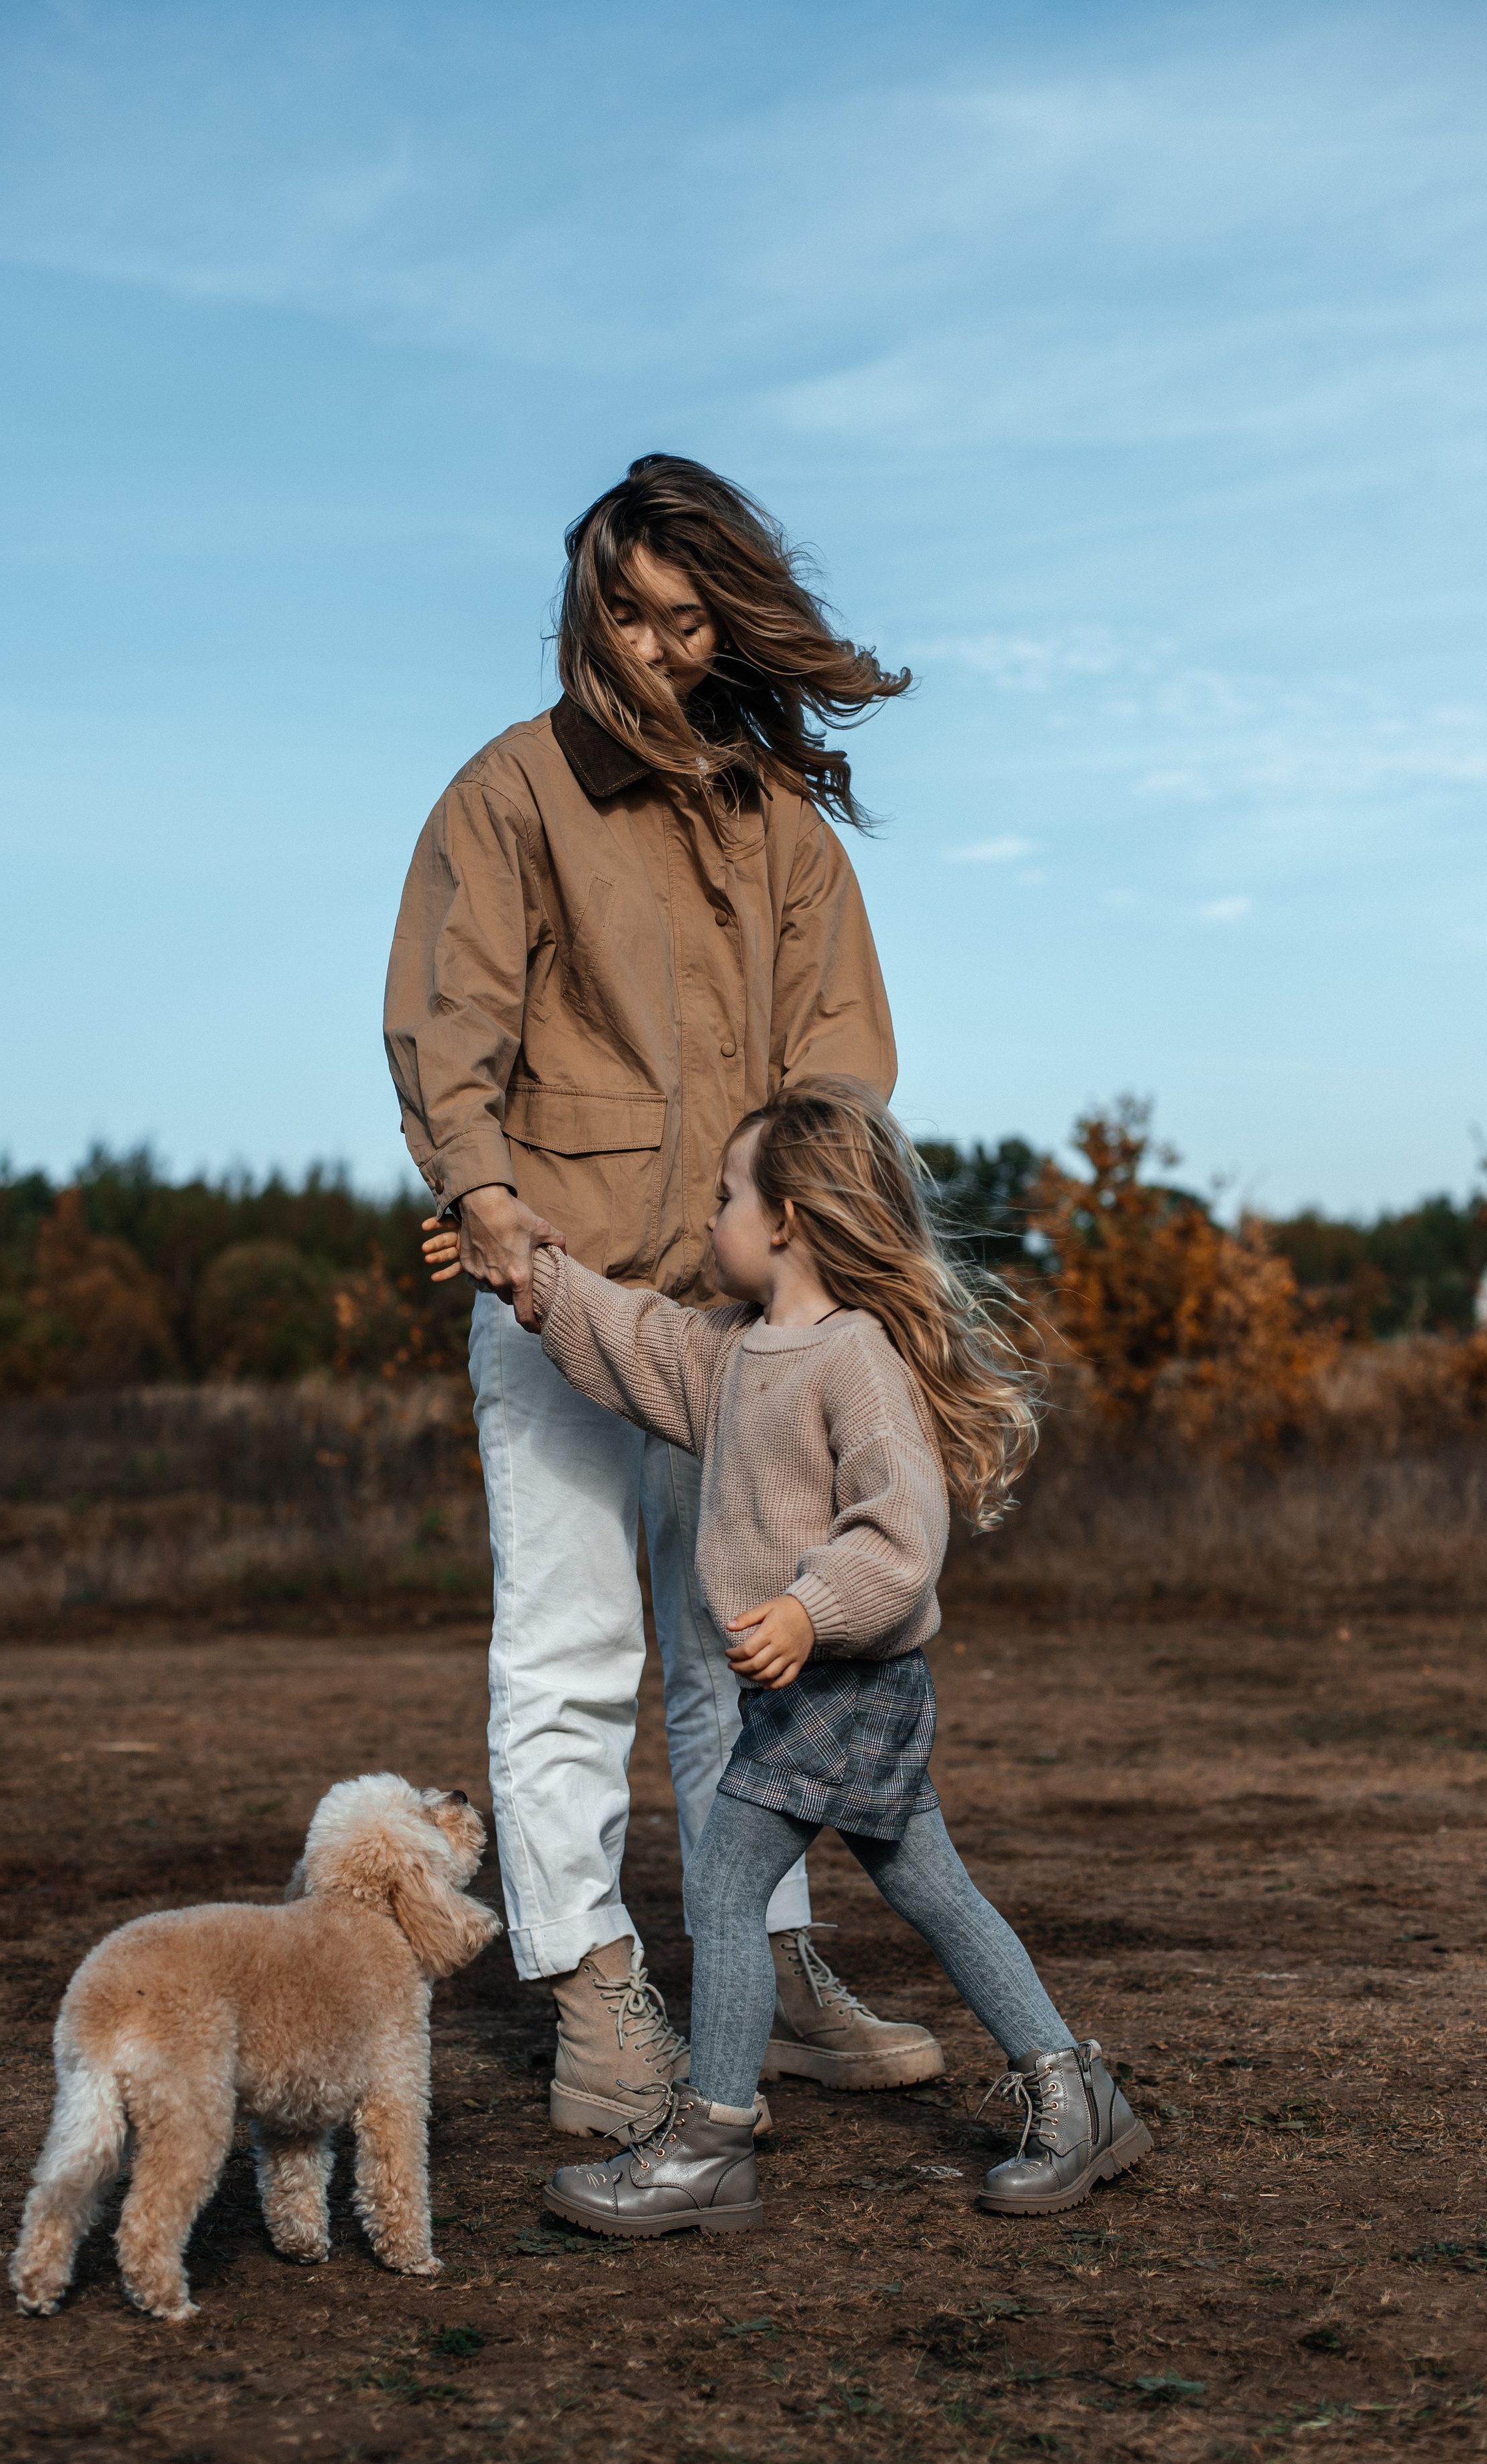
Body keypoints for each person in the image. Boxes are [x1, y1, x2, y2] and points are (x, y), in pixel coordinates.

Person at [385, 455, 944, 2137]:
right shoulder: (509, 792)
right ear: (582, 605)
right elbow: (450, 1020)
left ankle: (754, 1974)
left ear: (729, 618)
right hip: (556, 1295)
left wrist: (819, 1261)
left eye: (684, 620)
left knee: (737, 1661)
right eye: (620, 613)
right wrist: (481, 1201)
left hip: (741, 1321)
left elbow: (838, 1061)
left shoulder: (782, 829)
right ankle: (587, 1983)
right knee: (572, 1654)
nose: (648, 650)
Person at [423, 1077, 1152, 2232]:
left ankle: (710, 2144)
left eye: (725, 1196)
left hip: (849, 1684)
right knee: (933, 1887)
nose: (708, 1219)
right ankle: (1078, 2093)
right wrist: (534, 1272)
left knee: (723, 1885)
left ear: (787, 1221)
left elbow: (901, 1535)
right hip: (811, 1695)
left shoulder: (855, 1359)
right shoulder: (732, 1354)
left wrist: (812, 1611)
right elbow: (634, 1341)